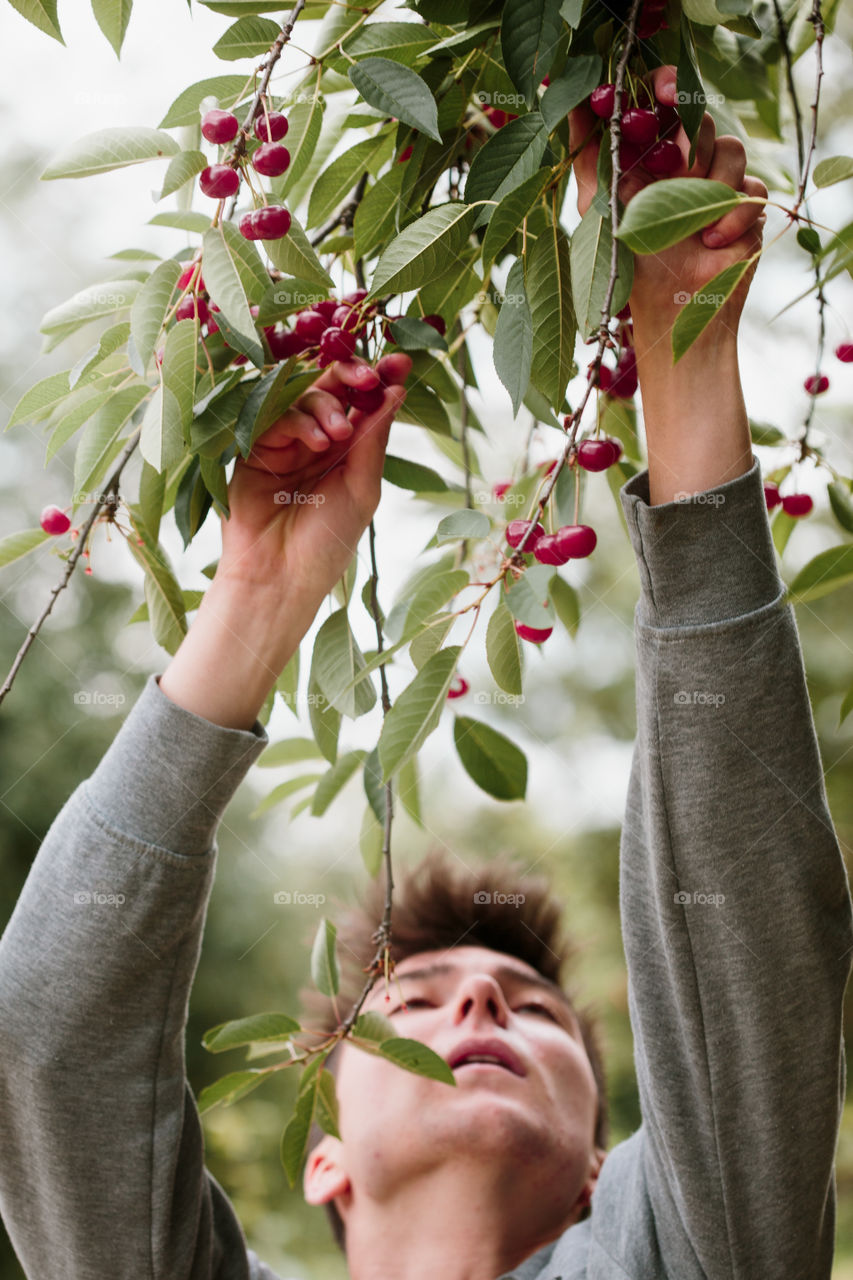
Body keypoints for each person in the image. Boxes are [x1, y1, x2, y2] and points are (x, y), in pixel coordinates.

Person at [0, 62, 851, 1280]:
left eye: (537, 1011)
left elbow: (751, 950)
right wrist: (254, 603)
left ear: (610, 1169)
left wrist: (682, 358)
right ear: (324, 1153)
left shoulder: (684, 1252)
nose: (481, 1008)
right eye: (414, 1001)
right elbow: (46, 1037)